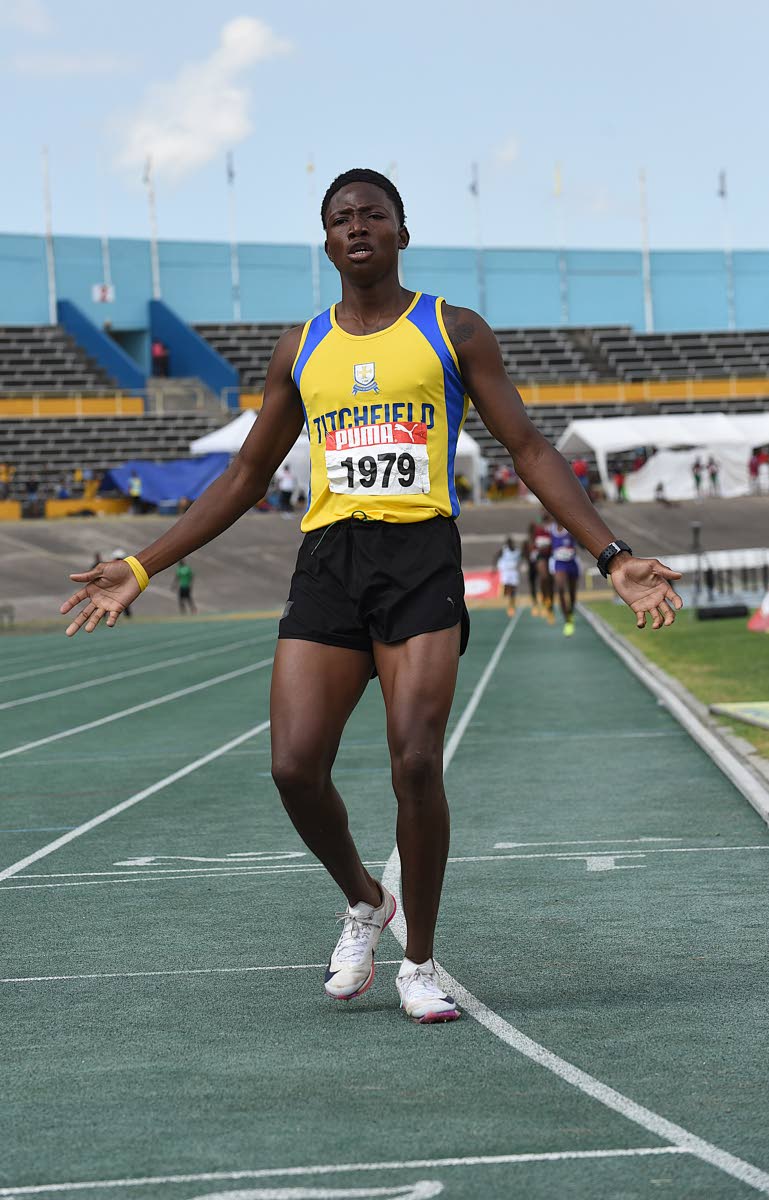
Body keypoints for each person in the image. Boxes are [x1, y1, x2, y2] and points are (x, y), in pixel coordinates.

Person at [60, 168, 683, 1026]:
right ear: (325, 243)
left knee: (415, 760)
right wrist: (141, 566)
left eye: (373, 215)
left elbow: (530, 446)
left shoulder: (452, 330)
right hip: (329, 560)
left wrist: (610, 553)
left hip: (418, 553)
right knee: (292, 766)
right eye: (341, 218)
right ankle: (365, 901)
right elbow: (245, 474)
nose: (357, 227)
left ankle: (419, 963)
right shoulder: (300, 347)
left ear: (401, 232)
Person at [550, 522, 579, 637]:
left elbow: (580, 543)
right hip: (559, 563)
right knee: (560, 588)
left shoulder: (570, 528)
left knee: (572, 593)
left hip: (572, 563)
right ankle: (567, 620)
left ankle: (571, 611)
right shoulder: (551, 529)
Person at [495, 536, 520, 617]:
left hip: (513, 572)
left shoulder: (517, 551)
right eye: (508, 543)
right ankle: (507, 603)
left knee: (513, 589)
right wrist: (494, 567)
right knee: (507, 588)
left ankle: (511, 604)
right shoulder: (504, 550)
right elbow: (496, 556)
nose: (509, 544)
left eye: (510, 543)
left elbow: (520, 559)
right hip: (506, 572)